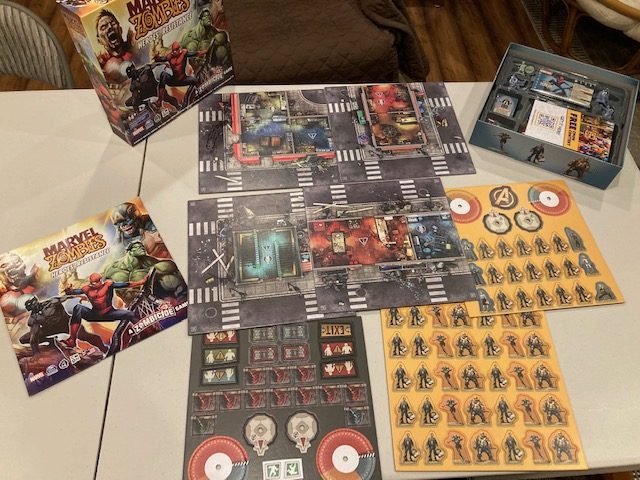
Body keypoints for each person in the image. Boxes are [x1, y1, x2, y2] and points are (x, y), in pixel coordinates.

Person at [64, 272, 147, 355]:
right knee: (78, 308)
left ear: (100, 280)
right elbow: (74, 292)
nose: (94, 285)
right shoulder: (87, 289)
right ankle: (72, 340)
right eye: (92, 283)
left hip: (109, 313)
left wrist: (140, 282)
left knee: (131, 314)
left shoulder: (108, 285)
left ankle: (144, 331)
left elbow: (124, 284)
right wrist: (68, 291)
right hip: (95, 315)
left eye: (96, 282)